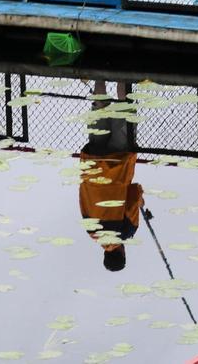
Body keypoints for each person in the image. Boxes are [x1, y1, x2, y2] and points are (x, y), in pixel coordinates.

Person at [78, 80, 142, 271]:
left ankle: (122, 72)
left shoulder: (126, 230)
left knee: (125, 108)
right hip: (94, 162)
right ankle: (100, 73)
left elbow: (133, 192)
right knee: (100, 107)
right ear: (105, 254)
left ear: (122, 253)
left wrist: (140, 199)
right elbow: (83, 196)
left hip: (118, 162)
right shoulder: (91, 230)